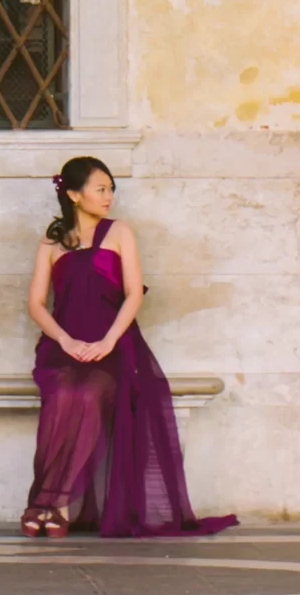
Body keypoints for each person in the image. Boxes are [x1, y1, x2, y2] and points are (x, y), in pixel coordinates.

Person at [21, 154, 236, 539]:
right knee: (62, 395)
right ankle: (46, 502)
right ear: (73, 194)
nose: (109, 196)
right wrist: (66, 340)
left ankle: (54, 503)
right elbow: (36, 304)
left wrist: (107, 341)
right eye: (100, 189)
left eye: (111, 189)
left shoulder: (120, 231)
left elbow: (134, 294)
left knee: (88, 395)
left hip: (114, 345)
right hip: (62, 346)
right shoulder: (52, 242)